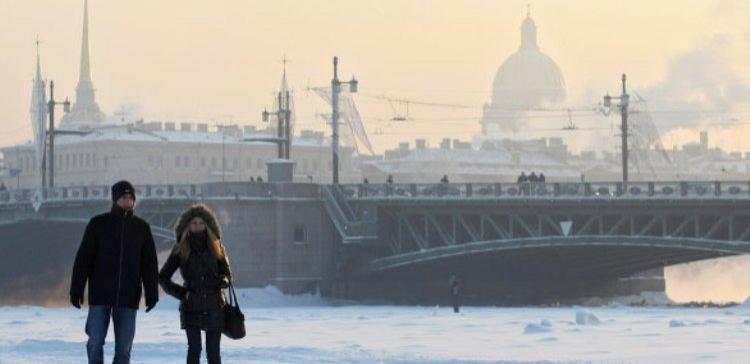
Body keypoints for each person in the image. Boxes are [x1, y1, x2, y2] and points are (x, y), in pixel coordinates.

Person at [70, 180, 159, 364]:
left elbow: (149, 264)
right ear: (115, 199)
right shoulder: (98, 224)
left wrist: (152, 293)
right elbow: (83, 259)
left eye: (130, 197)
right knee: (95, 343)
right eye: (123, 197)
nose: (127, 201)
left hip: (128, 297)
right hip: (100, 296)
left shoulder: (142, 228)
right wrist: (76, 289)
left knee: (124, 350)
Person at [159, 204, 233, 364]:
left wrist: (223, 281)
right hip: (191, 305)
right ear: (187, 226)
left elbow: (227, 274)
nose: (198, 226)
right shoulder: (180, 248)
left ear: (207, 225)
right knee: (194, 350)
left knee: (213, 352)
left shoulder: (217, 247)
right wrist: (182, 294)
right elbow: (163, 277)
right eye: (194, 223)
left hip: (215, 305)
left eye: (201, 223)